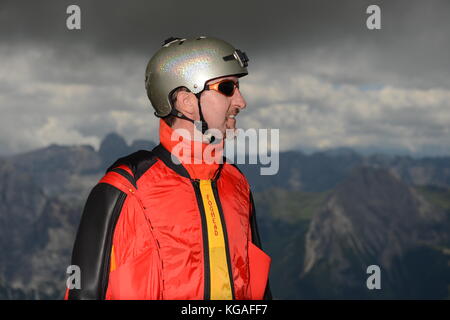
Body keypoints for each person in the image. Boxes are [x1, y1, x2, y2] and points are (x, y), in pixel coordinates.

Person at [65, 36, 272, 300]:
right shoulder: (124, 189)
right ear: (186, 101)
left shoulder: (236, 183)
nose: (241, 102)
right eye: (228, 88)